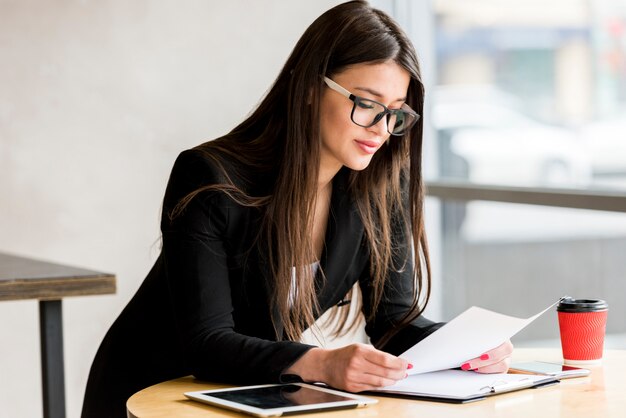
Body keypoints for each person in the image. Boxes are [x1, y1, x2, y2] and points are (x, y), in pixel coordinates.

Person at [81, 1, 513, 417]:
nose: (381, 130)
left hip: (245, 396)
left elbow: (393, 322)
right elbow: (208, 342)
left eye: (395, 113)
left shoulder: (379, 185)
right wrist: (321, 363)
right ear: (310, 89)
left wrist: (463, 345)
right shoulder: (210, 177)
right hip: (153, 392)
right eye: (365, 103)